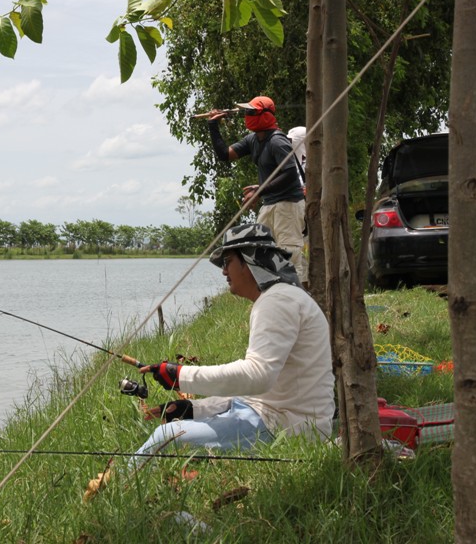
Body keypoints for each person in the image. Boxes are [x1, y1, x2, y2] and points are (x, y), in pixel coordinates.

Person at [131, 223, 334, 467]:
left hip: (290, 427)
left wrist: (181, 375)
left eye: (227, 262)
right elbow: (259, 396)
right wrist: (194, 408)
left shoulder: (277, 302)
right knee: (176, 430)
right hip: (277, 416)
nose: (224, 272)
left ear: (249, 263)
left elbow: (259, 377)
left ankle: (117, 487)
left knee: (166, 437)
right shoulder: (280, 298)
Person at [207, 97, 308, 285]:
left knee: (290, 255)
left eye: (252, 112)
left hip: (288, 206)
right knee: (261, 251)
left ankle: (298, 299)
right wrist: (213, 126)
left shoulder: (277, 141)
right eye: (246, 112)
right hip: (269, 204)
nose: (247, 116)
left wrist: (259, 190)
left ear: (266, 116)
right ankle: (271, 294)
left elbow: (290, 175)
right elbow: (225, 154)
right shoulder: (253, 140)